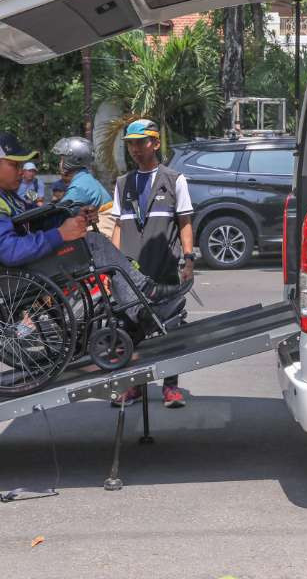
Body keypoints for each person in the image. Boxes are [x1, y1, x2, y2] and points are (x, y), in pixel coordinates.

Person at [0, 132, 188, 320]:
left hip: (27, 266)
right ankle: (142, 301)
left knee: (93, 243)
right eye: (14, 165)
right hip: (15, 275)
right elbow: (10, 251)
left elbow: (36, 218)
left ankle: (140, 300)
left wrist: (74, 214)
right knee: (93, 243)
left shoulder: (4, 195)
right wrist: (60, 234)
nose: (21, 170)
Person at [110, 118, 195, 409]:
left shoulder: (175, 180)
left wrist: (189, 259)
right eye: (130, 143)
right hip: (132, 271)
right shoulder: (123, 184)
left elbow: (185, 222)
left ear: (155, 143)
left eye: (140, 142)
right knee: (131, 329)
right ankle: (133, 387)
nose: (134, 148)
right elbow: (119, 226)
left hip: (166, 268)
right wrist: (113, 263)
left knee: (170, 328)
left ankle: (171, 388)